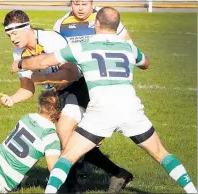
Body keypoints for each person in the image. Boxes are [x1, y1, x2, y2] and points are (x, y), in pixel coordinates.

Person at [12, 7, 197, 194]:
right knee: (162, 154)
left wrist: (21, 63)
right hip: (131, 110)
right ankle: (191, 190)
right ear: (117, 27)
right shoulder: (129, 48)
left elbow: (43, 62)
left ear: (96, 24)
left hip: (101, 112)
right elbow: (145, 63)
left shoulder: (82, 47)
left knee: (66, 157)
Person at [1, 9, 133, 193]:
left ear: (27, 27)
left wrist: (42, 79)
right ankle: (117, 173)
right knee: (69, 139)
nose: (12, 38)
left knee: (63, 130)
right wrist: (12, 99)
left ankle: (70, 187)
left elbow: (71, 74)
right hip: (60, 91)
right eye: (8, 35)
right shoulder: (19, 53)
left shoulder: (49, 40)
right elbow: (27, 88)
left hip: (81, 84)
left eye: (15, 33)